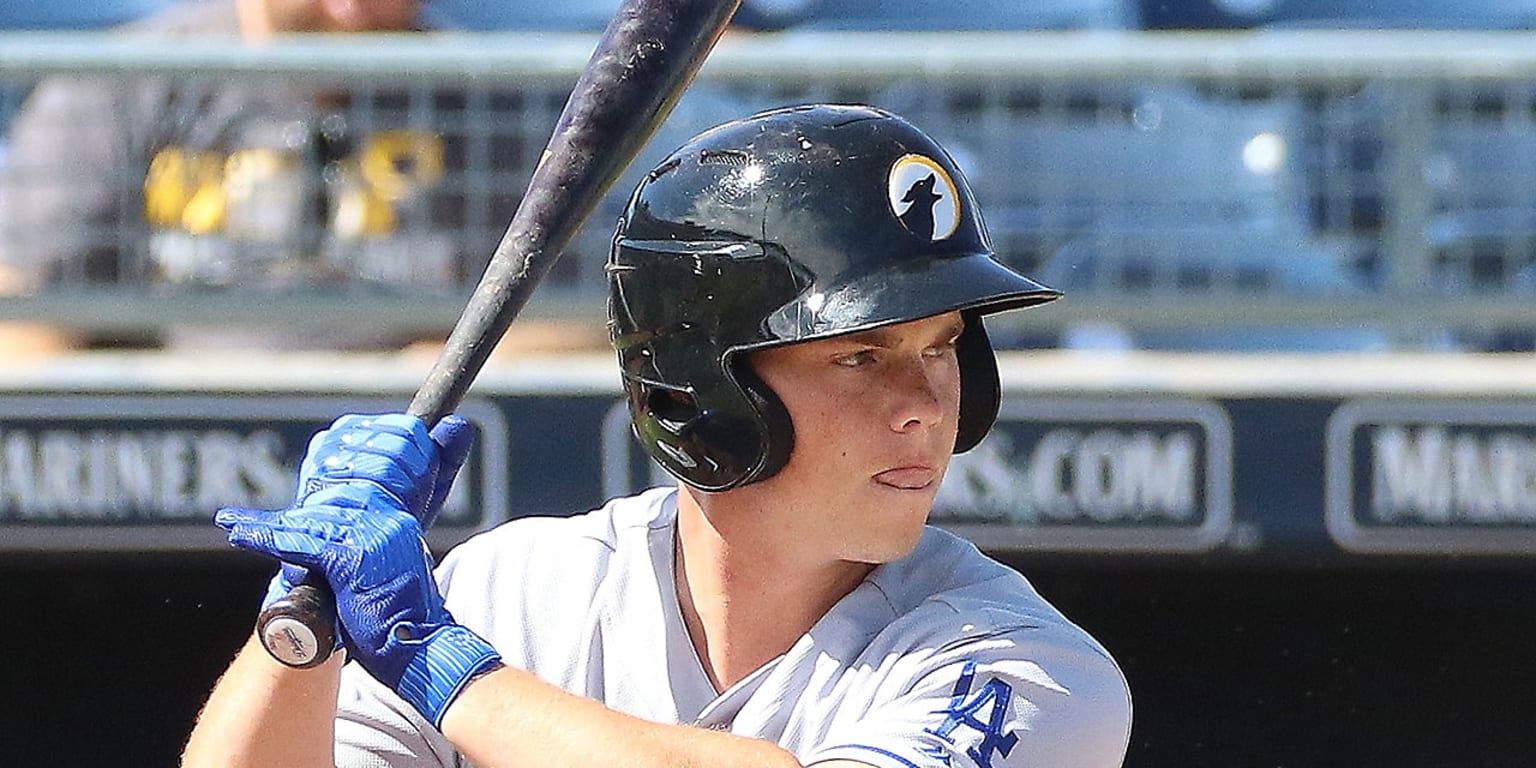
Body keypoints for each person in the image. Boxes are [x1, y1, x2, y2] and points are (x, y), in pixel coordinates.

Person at [182, 104, 1133, 768]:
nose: (927, 403)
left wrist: (439, 666)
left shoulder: (1023, 665)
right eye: (860, 357)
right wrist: (302, 631)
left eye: (942, 348)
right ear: (702, 389)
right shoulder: (513, 592)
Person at [0, 0, 447, 352]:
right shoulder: (120, 81)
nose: (350, 9)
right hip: (180, 434)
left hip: (394, 432)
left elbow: (518, 326)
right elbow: (25, 320)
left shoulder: (487, 91)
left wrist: (424, 392)